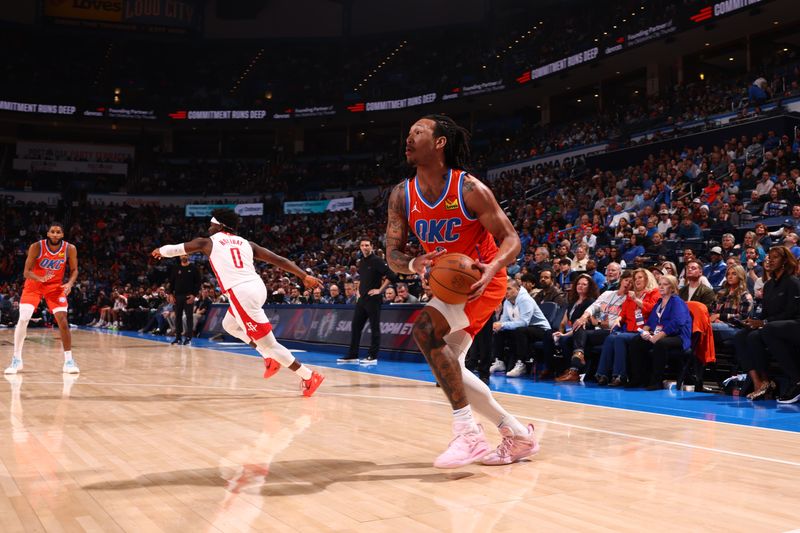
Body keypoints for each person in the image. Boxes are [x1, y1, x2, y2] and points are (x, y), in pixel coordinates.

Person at [385, 114, 537, 468]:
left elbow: (511, 239)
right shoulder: (401, 195)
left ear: (439, 142)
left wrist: (494, 267)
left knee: (424, 330)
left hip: (481, 279)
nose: (408, 138)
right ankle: (518, 435)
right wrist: (414, 263)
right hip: (449, 288)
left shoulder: (468, 188)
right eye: (408, 133)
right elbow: (392, 254)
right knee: (449, 369)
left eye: (418, 133)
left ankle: (468, 434)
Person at [150, 209, 324, 397]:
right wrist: (303, 275)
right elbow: (278, 259)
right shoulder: (246, 243)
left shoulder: (208, 242)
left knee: (269, 345)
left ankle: (308, 376)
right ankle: (268, 357)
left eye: (212, 224)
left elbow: (177, 248)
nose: (209, 227)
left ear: (220, 226)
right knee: (229, 324)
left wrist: (160, 251)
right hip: (257, 288)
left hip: (241, 293)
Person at [4, 222, 80, 375]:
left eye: (58, 232)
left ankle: (68, 361)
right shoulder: (36, 247)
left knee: (63, 321)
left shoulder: (69, 249)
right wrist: (41, 278)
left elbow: (74, 270)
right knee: (24, 318)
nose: (55, 234)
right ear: (48, 234)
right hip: (34, 284)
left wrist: (70, 283)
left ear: (62, 235)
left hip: (55, 287)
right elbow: (26, 272)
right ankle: (16, 359)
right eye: (52, 231)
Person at [733, 247, 800, 402]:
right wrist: (753, 322)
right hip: (773, 326)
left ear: (784, 261)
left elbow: (792, 312)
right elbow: (765, 314)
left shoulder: (793, 282)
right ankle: (763, 382)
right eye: (769, 257)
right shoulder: (769, 285)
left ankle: (796, 379)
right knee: (742, 336)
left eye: (775, 257)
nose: (770, 259)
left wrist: (764, 322)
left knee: (766, 330)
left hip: (795, 324)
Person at [557, 270, 632, 382]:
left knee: (576, 335)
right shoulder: (607, 294)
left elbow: (621, 321)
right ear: (621, 280)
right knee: (574, 331)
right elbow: (594, 307)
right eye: (626, 280)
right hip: (597, 331)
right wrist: (584, 317)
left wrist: (600, 323)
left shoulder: (629, 299)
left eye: (631, 282)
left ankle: (575, 368)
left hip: (612, 332)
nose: (628, 284)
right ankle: (576, 362)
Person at [596, 269, 660, 387]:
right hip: (629, 330)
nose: (637, 281)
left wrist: (636, 299)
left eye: (640, 277)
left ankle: (620, 376)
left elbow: (652, 309)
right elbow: (623, 313)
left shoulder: (654, 293)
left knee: (620, 338)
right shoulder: (631, 296)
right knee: (611, 338)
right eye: (635, 279)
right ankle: (602, 374)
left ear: (648, 278)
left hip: (643, 331)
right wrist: (618, 319)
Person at [627, 275, 692, 390]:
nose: (661, 287)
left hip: (678, 336)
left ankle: (656, 381)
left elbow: (678, 322)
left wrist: (658, 336)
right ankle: (639, 378)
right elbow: (651, 321)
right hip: (659, 334)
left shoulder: (677, 302)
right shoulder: (659, 303)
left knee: (660, 344)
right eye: (660, 284)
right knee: (637, 341)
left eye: (665, 284)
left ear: (672, 288)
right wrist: (644, 332)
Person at [339, 238, 396, 364]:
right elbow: (362, 278)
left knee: (374, 327)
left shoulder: (377, 260)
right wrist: (358, 291)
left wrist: (380, 290)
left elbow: (391, 275)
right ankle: (353, 355)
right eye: (362, 245)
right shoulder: (361, 262)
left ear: (372, 246)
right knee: (355, 326)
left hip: (373, 299)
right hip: (362, 299)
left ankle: (373, 356)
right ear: (360, 247)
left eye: (367, 245)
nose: (365, 247)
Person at [488, 279, 550, 378]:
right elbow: (504, 320)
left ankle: (521, 363)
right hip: (523, 329)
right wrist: (498, 324)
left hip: (541, 330)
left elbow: (524, 322)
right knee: (499, 331)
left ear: (517, 289)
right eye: (504, 289)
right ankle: (499, 361)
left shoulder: (525, 300)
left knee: (519, 330)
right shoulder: (507, 302)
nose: (506, 292)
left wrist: (503, 325)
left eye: (509, 289)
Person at [540, 274, 599, 378]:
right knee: (548, 334)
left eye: (584, 284)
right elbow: (563, 322)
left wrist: (564, 335)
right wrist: (560, 332)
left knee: (565, 340)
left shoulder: (591, 303)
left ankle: (571, 370)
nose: (580, 286)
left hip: (582, 333)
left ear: (589, 287)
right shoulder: (572, 302)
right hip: (569, 331)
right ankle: (549, 367)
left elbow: (581, 325)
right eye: (579, 284)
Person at [710, 265, 753, 344]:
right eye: (728, 274)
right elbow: (713, 311)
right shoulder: (721, 293)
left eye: (734, 274)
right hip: (719, 324)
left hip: (736, 328)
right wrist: (716, 319)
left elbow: (743, 318)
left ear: (740, 276)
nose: (730, 276)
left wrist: (720, 316)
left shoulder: (745, 296)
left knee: (707, 327)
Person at [169, 254, 201, 345]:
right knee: (177, 317)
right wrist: (171, 294)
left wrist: (194, 295)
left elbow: (198, 283)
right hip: (177, 296)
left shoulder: (194, 268)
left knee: (189, 317)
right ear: (179, 257)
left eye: (186, 255)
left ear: (189, 256)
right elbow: (171, 282)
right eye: (182, 255)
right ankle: (178, 338)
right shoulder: (176, 268)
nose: (184, 257)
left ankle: (188, 338)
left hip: (188, 297)